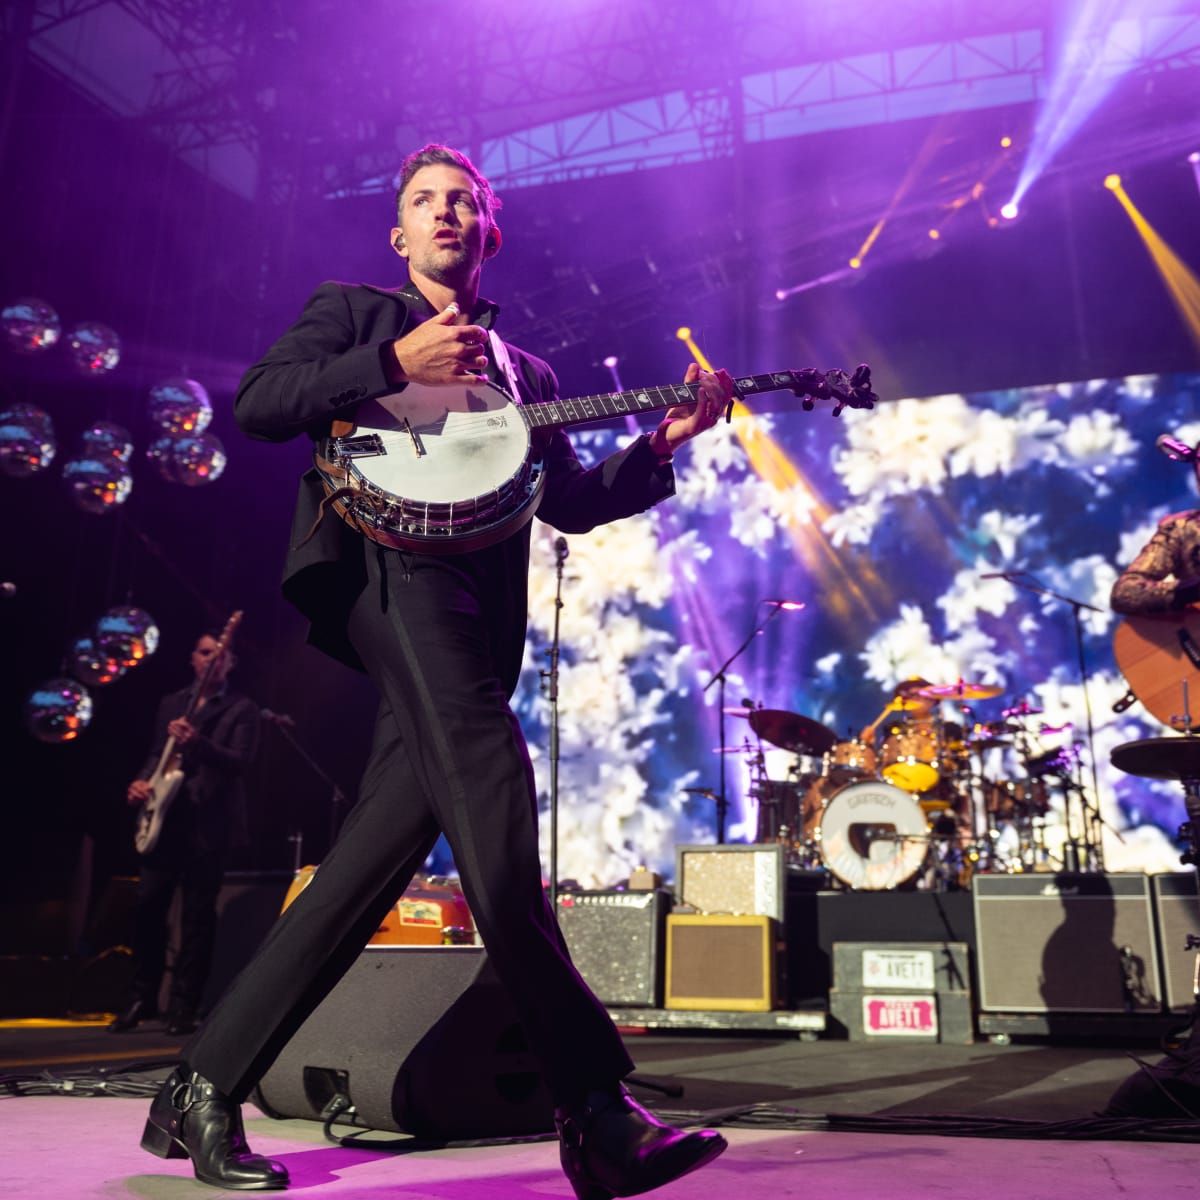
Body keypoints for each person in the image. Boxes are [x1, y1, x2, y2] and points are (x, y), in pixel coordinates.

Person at [138, 144, 734, 1196]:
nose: (447, 211)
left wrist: (663, 444)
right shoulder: (358, 312)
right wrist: (391, 365)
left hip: (474, 611)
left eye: (465, 199)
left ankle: (199, 1086)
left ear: (488, 231)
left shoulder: (528, 377)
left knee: (363, 872)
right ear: (401, 235)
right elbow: (263, 403)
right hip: (384, 575)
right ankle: (595, 1106)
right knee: (497, 792)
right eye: (425, 200)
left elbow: (572, 504)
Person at [111, 634, 260, 1036]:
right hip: (166, 820)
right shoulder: (172, 703)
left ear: (230, 663)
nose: (211, 660)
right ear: (193, 659)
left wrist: (199, 743)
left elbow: (241, 762)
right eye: (205, 652)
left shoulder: (242, 709)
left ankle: (184, 1005)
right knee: (147, 907)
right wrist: (140, 783)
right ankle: (140, 996)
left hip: (209, 826)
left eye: (220, 654)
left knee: (197, 918)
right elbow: (156, 755)